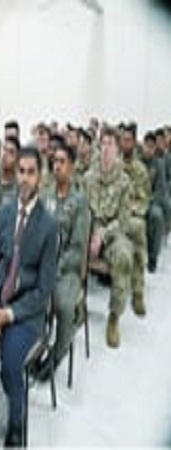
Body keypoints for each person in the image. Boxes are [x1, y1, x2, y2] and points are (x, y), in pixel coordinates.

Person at [0, 146, 58, 447]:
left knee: (11, 363)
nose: (25, 178)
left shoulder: (49, 225)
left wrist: (11, 313)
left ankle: (17, 421)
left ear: (40, 177)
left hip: (26, 312)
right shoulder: (4, 213)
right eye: (21, 171)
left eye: (31, 172)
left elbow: (44, 290)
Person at [36, 144, 90, 381]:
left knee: (64, 305)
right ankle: (34, 348)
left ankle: (58, 353)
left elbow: (77, 249)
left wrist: (55, 268)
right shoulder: (44, 195)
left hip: (66, 269)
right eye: (54, 162)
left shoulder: (80, 202)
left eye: (62, 162)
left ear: (72, 167)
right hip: (42, 262)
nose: (57, 166)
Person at [83, 129, 134, 348]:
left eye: (110, 143)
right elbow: (83, 211)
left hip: (113, 234)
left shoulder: (124, 182)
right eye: (103, 143)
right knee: (69, 244)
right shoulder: (88, 178)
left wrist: (102, 235)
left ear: (117, 150)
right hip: (90, 230)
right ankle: (74, 304)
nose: (105, 148)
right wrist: (90, 233)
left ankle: (114, 316)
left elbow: (123, 220)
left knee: (124, 256)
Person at [119, 125, 150, 316]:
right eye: (122, 140)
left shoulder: (140, 170)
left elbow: (143, 201)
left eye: (128, 140)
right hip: (112, 216)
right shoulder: (114, 165)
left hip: (130, 217)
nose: (125, 144)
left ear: (134, 142)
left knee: (139, 230)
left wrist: (129, 212)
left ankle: (137, 292)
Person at [141, 132, 167, 272]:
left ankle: (153, 257)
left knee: (157, 216)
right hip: (136, 201)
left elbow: (160, 190)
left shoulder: (159, 164)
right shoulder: (137, 161)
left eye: (151, 147)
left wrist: (149, 202)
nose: (148, 149)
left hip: (151, 202)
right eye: (147, 146)